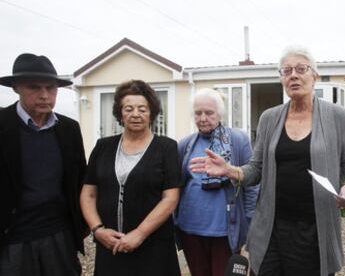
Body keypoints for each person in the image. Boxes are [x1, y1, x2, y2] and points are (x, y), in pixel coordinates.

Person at [190, 46, 345, 276]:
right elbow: (256, 169)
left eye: (301, 69)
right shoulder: (269, 118)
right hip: (271, 227)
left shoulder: (335, 116)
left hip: (315, 229)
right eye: (286, 70)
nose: (293, 75)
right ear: (281, 78)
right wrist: (230, 170)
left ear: (315, 76)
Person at [80, 80, 182, 276]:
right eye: (129, 108)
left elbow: (170, 198)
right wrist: (98, 230)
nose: (136, 114)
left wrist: (139, 234)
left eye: (142, 109)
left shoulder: (166, 147)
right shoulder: (103, 147)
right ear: (120, 113)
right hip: (110, 244)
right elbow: (88, 194)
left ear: (151, 112)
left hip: (154, 246)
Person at [0, 53, 87, 275]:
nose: (45, 96)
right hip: (12, 240)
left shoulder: (69, 129)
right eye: (34, 88)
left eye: (51, 88)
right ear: (16, 87)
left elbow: (80, 181)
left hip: (60, 236)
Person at [175, 88, 259, 276]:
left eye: (209, 113)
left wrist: (250, 223)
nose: (203, 118)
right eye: (198, 113)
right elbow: (179, 185)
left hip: (226, 228)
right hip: (190, 227)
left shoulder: (238, 140)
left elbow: (252, 183)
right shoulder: (185, 144)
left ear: (219, 113)